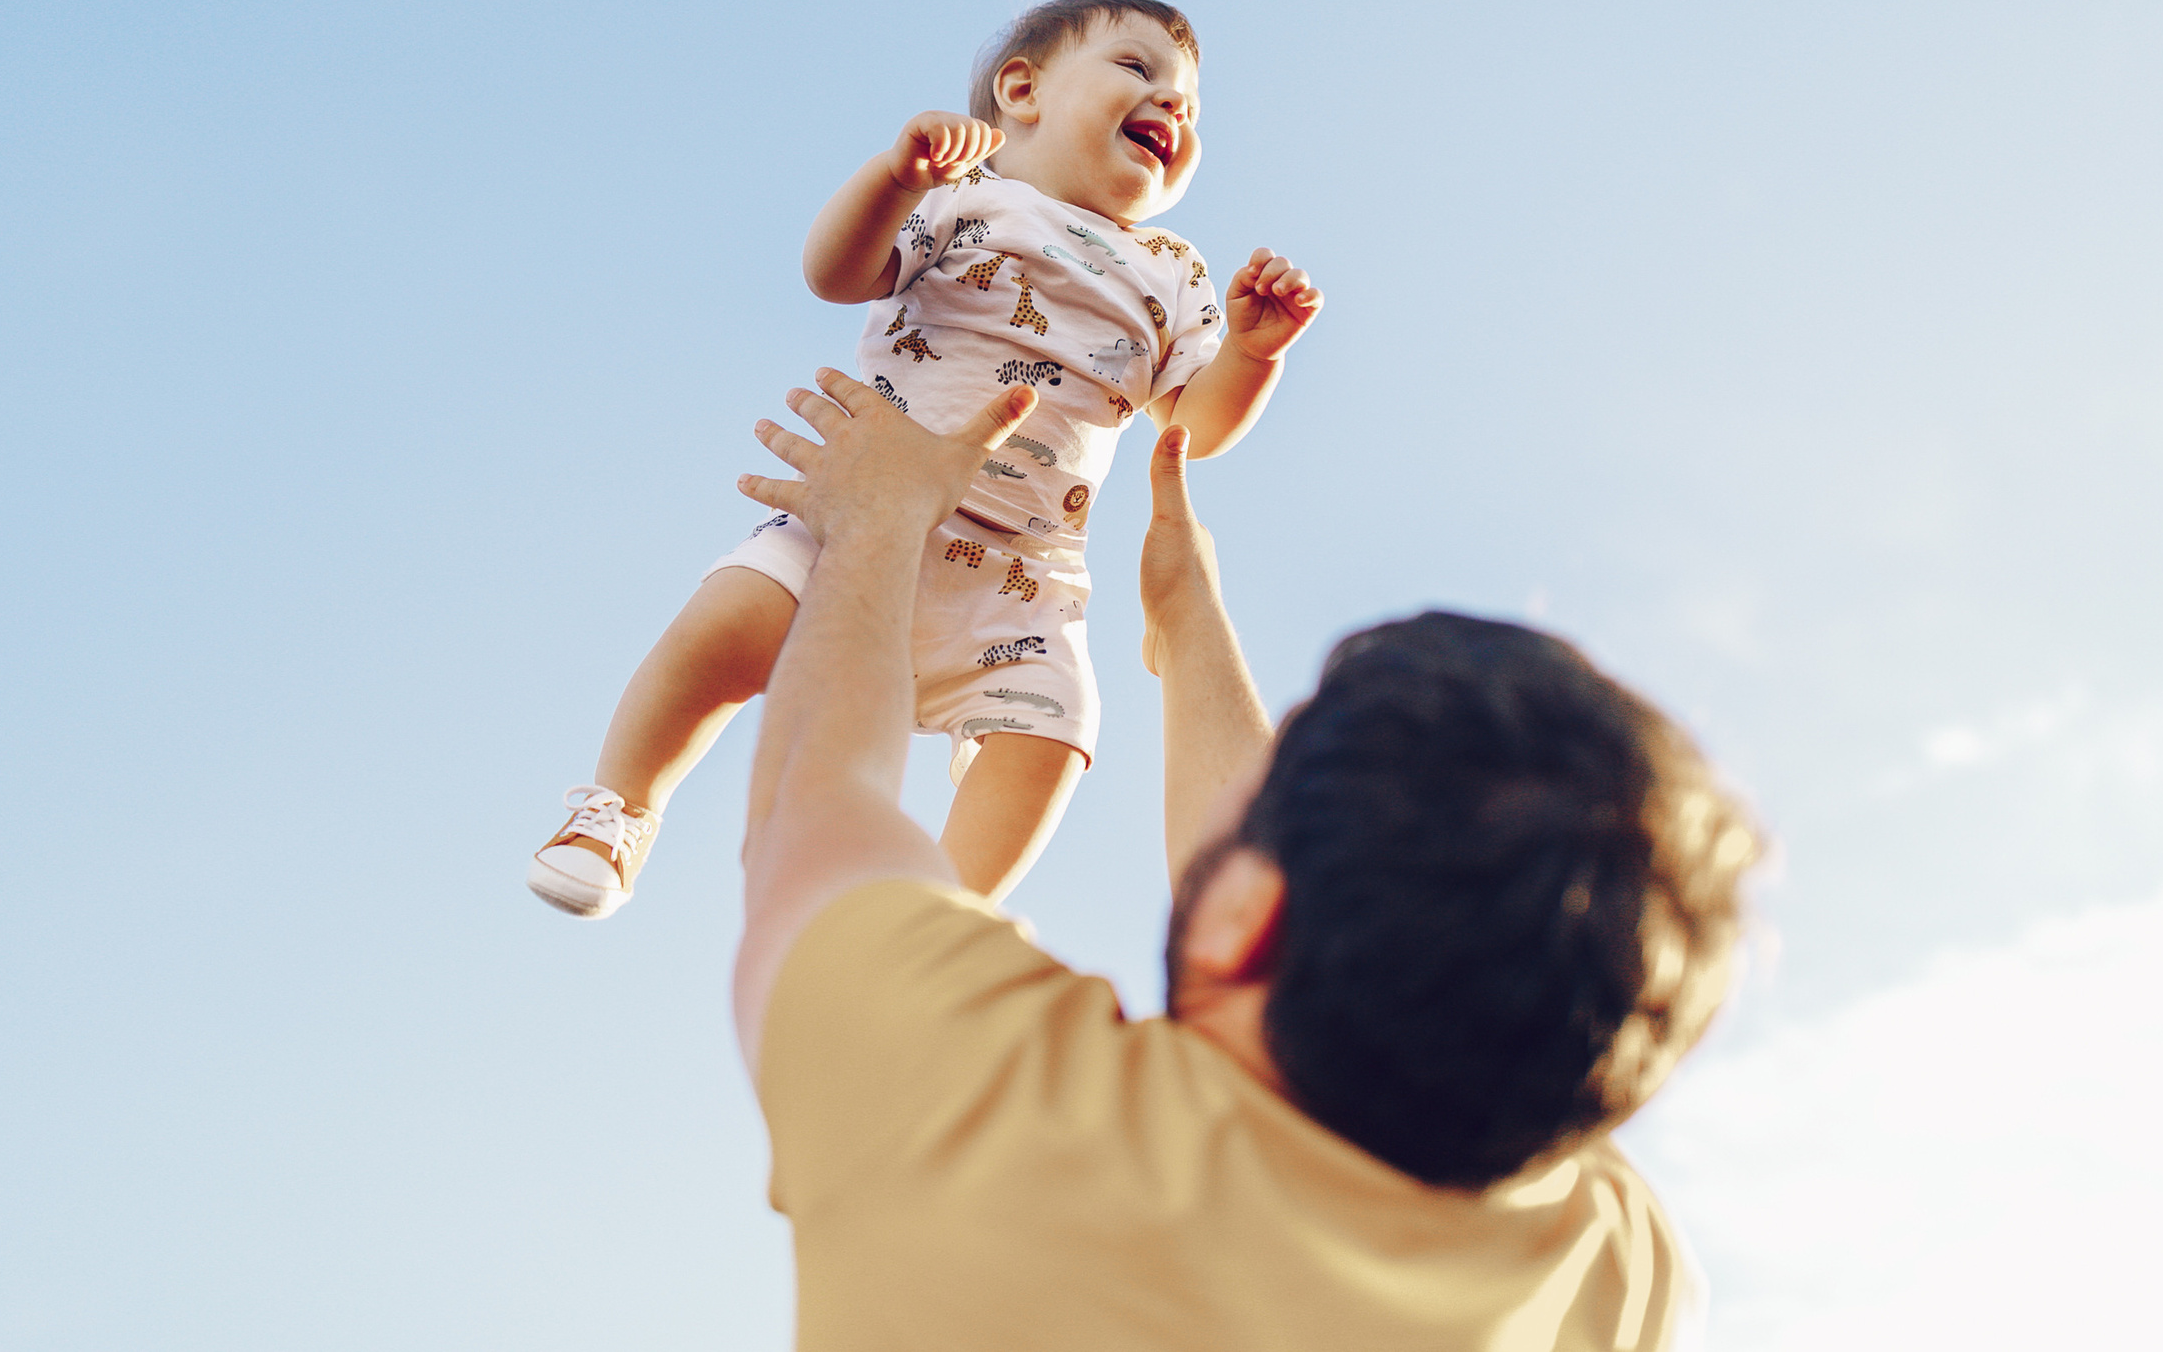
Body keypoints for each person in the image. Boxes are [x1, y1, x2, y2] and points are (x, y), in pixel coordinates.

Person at [732, 369, 1762, 1350]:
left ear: (1247, 915)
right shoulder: (1614, 1281)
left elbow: (809, 813)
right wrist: (1185, 623)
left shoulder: (983, 1106)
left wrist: (879, 515)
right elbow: (1375, 945)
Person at [527, 0, 1322, 918]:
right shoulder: (966, 194)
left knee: (1055, 731)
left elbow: (1195, 424)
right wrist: (893, 177)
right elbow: (835, 273)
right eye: (1139, 69)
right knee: (727, 622)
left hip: (1018, 574)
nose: (1174, 106)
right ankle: (618, 805)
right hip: (859, 511)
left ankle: (938, 916)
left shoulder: (1173, 274)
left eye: (1190, 102)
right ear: (1020, 89)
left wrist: (1254, 355)